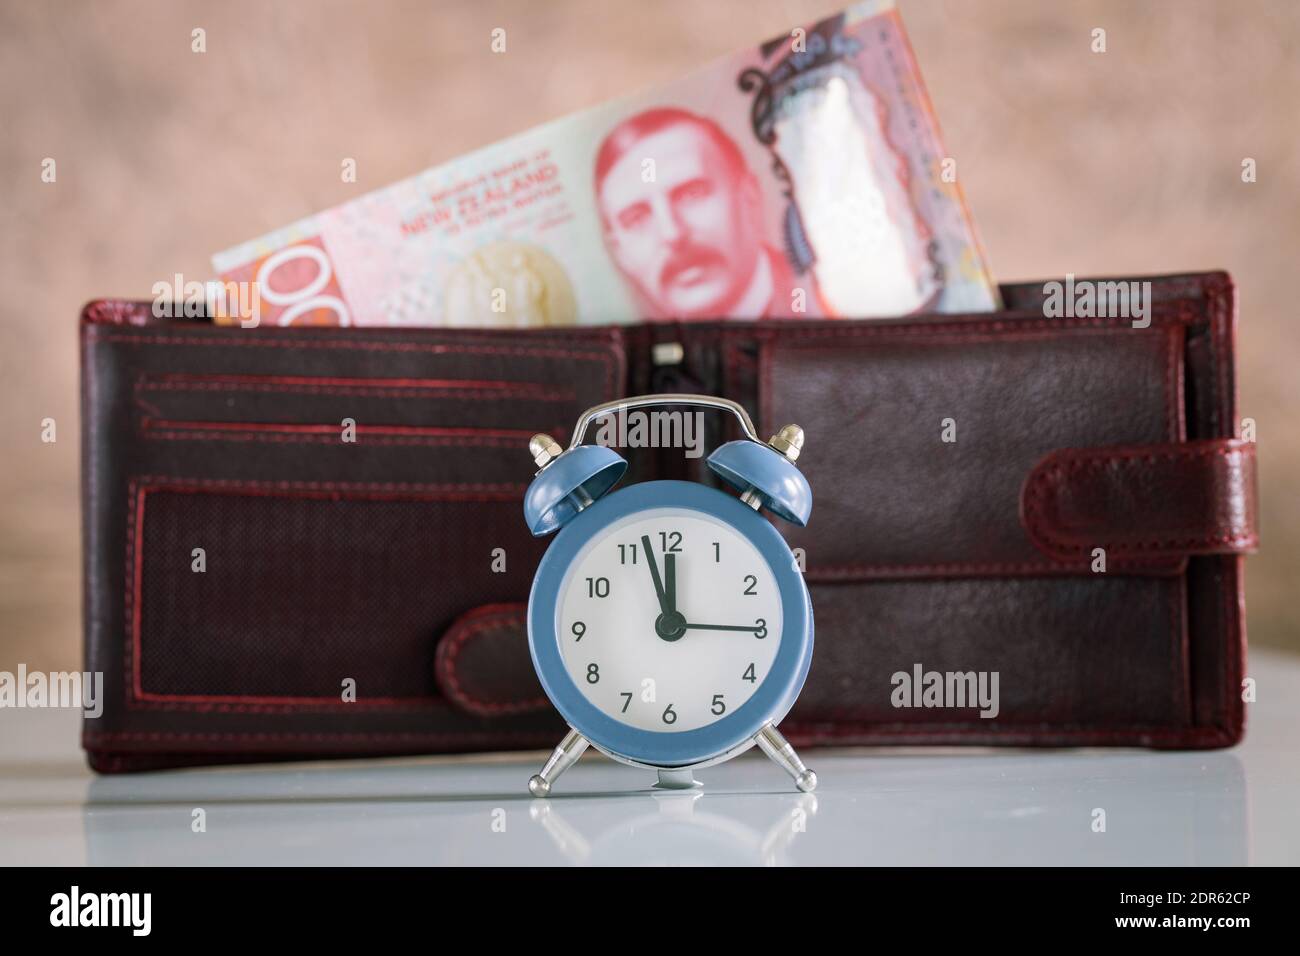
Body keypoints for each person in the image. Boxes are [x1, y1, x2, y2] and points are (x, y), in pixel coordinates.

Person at [594, 107, 804, 320]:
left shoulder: (820, 297)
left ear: (749, 198)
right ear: (620, 253)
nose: (672, 234)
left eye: (691, 194)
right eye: (637, 218)